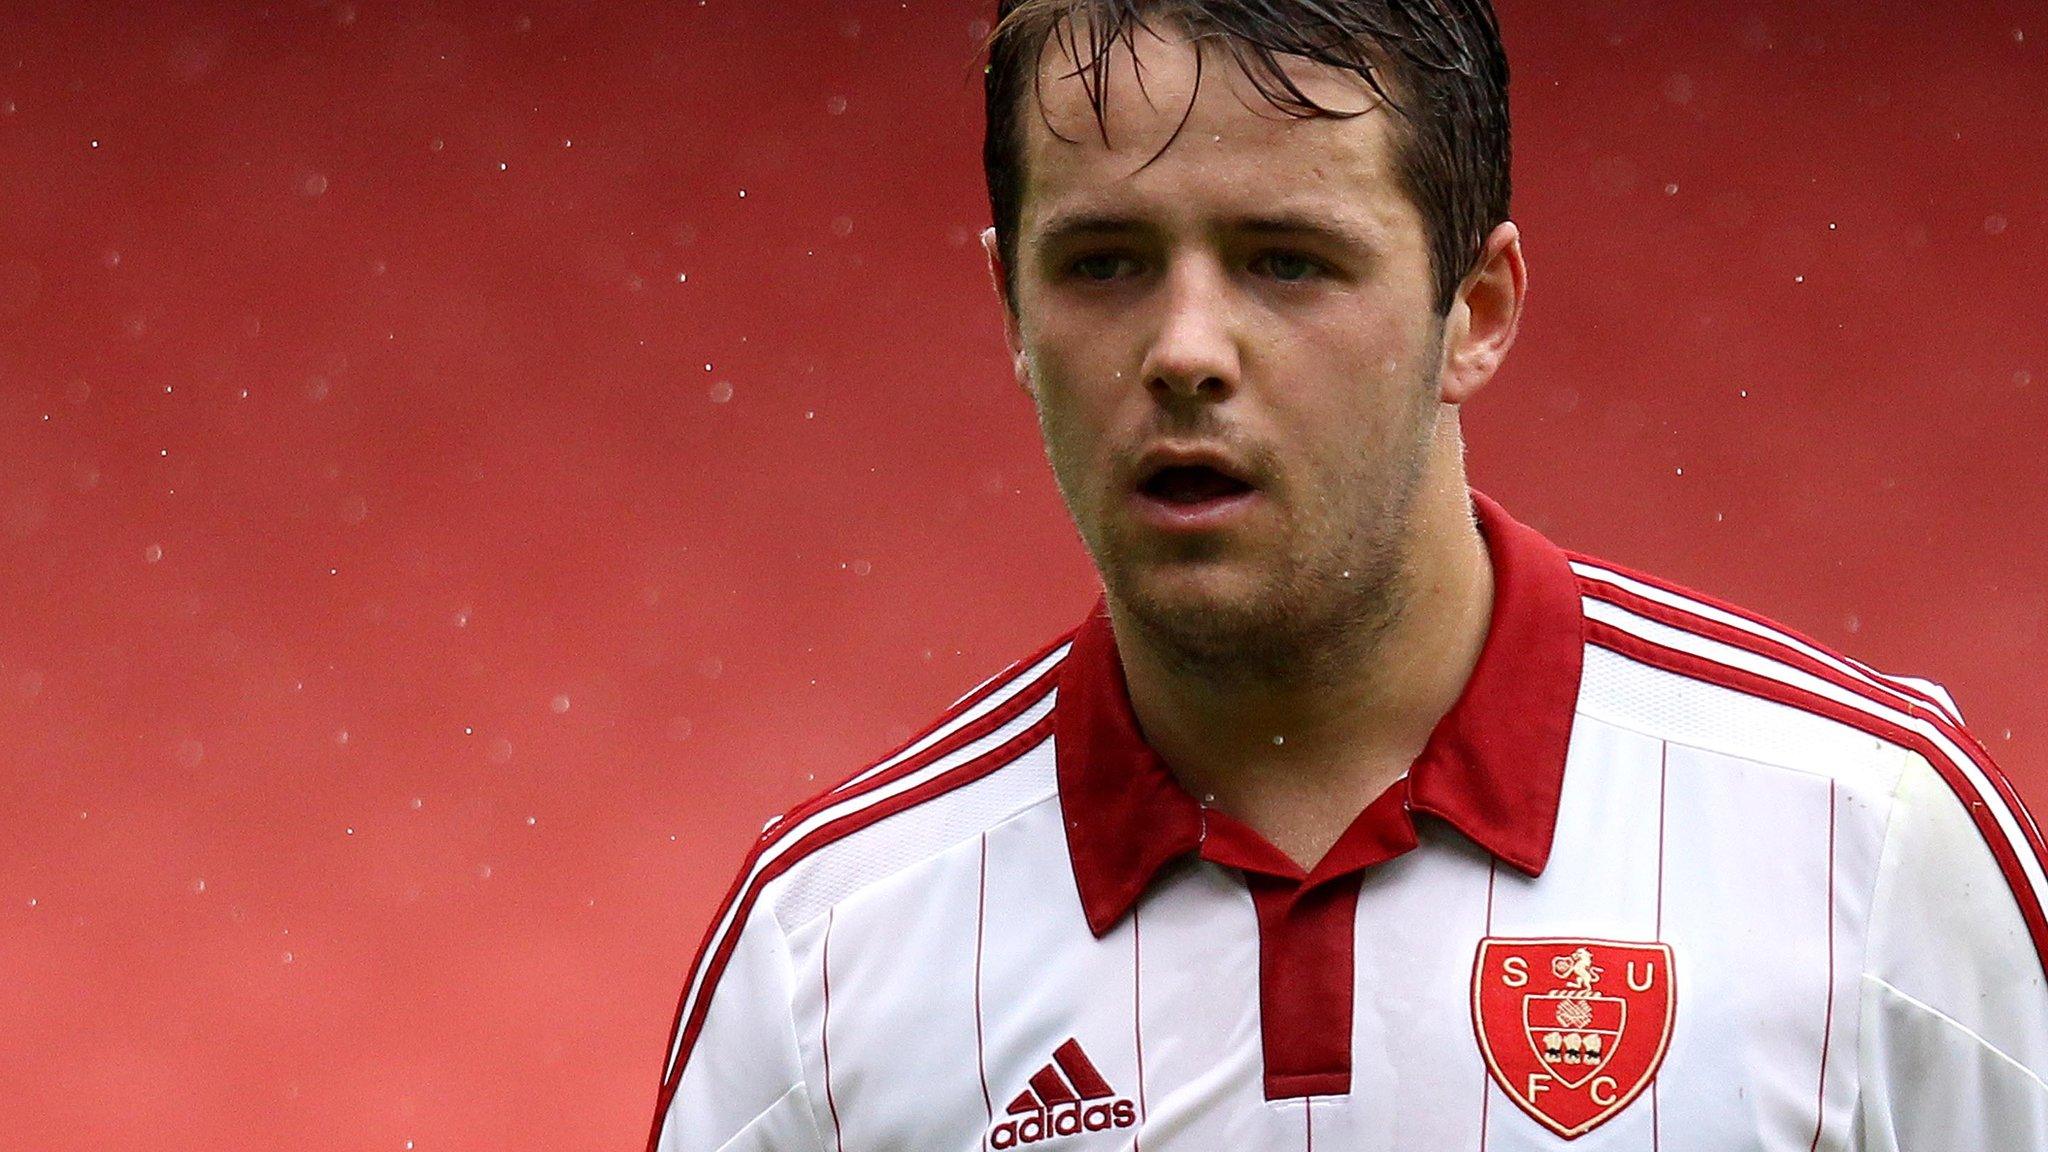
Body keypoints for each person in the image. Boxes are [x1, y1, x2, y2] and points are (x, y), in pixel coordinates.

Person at [646, 2, 2048, 1148]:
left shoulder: (1865, 840)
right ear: (1011, 307)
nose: (1185, 348)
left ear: (1476, 313)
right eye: (1106, 264)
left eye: (1287, 262)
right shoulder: (823, 955)